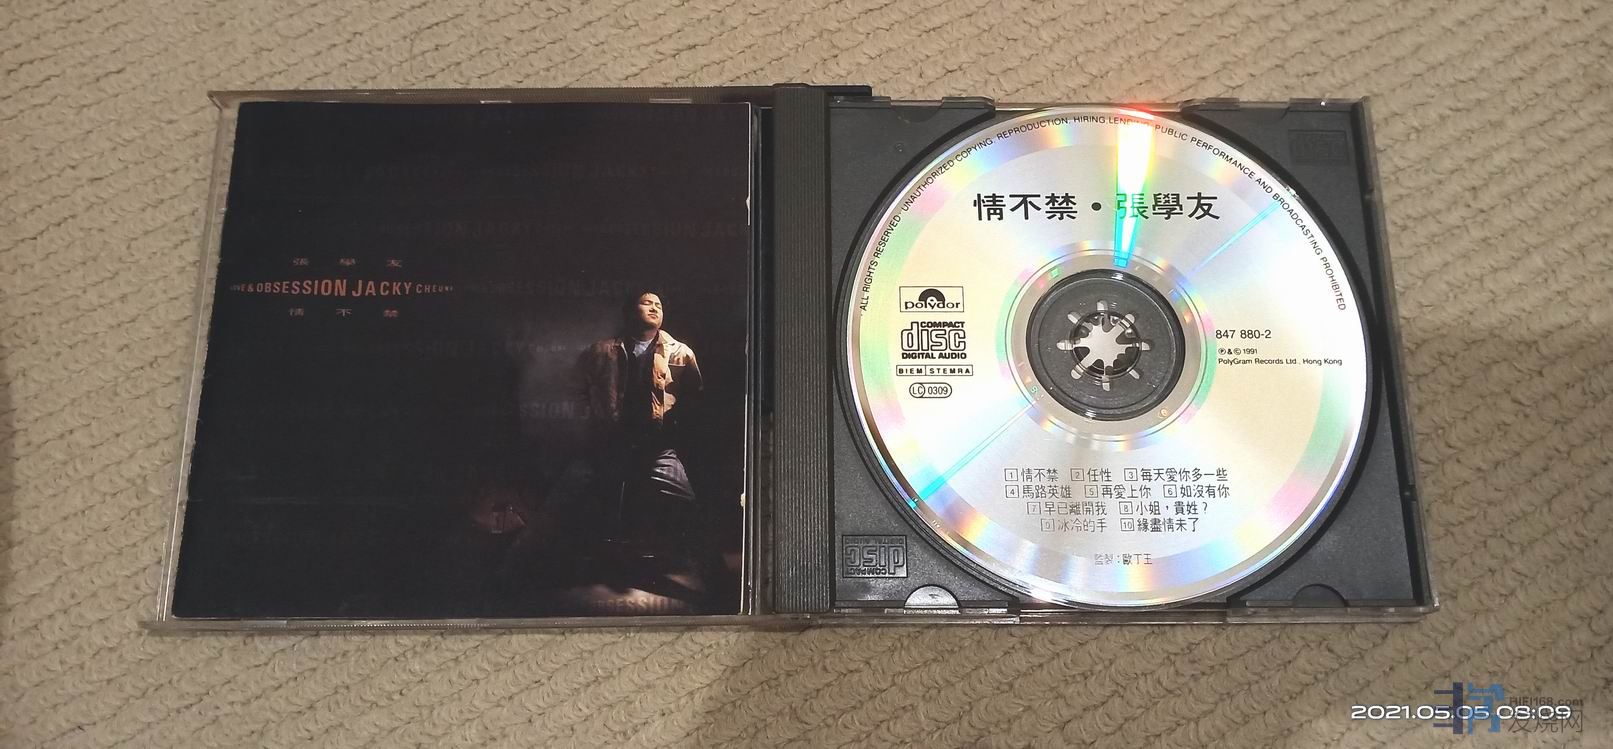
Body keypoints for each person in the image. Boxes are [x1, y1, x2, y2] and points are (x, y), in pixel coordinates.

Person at [574, 291, 704, 553]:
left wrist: (676, 428)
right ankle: (601, 555)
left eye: (658, 305)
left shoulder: (681, 353)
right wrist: (596, 420)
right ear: (629, 312)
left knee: (684, 499)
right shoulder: (600, 352)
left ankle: (674, 555)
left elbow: (696, 397)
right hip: (612, 443)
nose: (654, 308)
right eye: (647, 303)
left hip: (658, 446)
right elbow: (578, 390)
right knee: (592, 497)